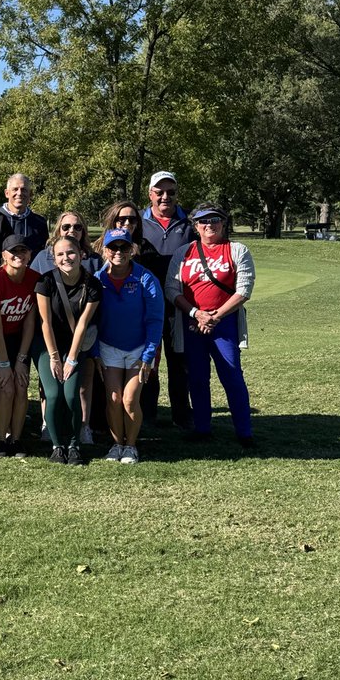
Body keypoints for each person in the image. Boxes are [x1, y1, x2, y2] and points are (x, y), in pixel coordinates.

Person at [165, 203, 255, 447]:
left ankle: (244, 432)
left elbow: (244, 289)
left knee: (232, 376)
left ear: (223, 223)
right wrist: (197, 314)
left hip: (224, 324)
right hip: (192, 324)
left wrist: (216, 316)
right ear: (195, 226)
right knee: (197, 378)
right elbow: (171, 288)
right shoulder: (183, 252)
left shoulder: (237, 250)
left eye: (215, 220)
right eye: (203, 221)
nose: (209, 225)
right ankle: (202, 428)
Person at [31, 210, 103, 446]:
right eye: (60, 254)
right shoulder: (45, 279)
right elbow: (45, 322)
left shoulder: (92, 280)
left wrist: (71, 359)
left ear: (81, 254)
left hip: (77, 341)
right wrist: (54, 357)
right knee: (52, 392)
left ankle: (77, 436)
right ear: (53, 257)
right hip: (48, 341)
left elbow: (83, 323)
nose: (66, 258)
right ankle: (54, 438)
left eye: (71, 252)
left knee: (74, 392)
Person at [95, 228, 164, 465]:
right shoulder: (97, 279)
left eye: (124, 247)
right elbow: (91, 320)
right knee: (114, 398)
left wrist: (148, 355)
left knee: (129, 399)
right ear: (105, 251)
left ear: (132, 249)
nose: (118, 252)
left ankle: (131, 446)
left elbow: (155, 319)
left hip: (139, 348)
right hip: (108, 347)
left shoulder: (146, 278)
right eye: (113, 247)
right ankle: (117, 444)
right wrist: (95, 352)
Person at [140, 171, 196, 431]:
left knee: (179, 362)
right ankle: (147, 414)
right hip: (146, 304)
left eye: (171, 192)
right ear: (150, 194)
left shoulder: (190, 224)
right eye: (159, 192)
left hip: (179, 304)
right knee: (149, 360)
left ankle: (181, 415)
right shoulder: (138, 222)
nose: (165, 197)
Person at [0, 235, 40, 456]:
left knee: (21, 385)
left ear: (30, 255)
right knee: (6, 388)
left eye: (23, 251)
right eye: (13, 252)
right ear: (4, 256)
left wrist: (22, 359)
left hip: (18, 337)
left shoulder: (35, 279)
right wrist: (5, 363)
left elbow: (30, 322)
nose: (18, 255)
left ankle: (16, 440)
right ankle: (0, 440)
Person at [31, 211, 101, 275]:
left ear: (83, 231)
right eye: (66, 227)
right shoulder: (42, 258)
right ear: (59, 230)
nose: (72, 230)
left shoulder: (94, 260)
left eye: (77, 227)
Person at [0, 173, 49, 254]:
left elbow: (43, 254)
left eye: (24, 189)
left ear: (30, 194)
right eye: (15, 189)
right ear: (7, 193)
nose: (19, 193)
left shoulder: (40, 223)